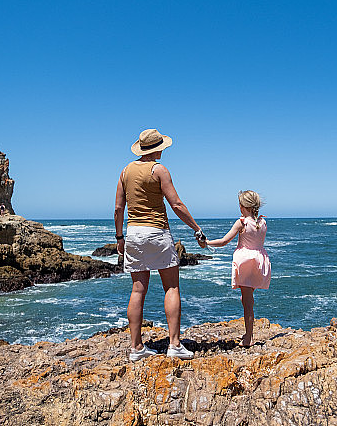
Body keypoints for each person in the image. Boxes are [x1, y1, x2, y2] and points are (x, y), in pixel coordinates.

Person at [114, 129, 205, 360]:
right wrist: (196, 228)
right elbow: (176, 204)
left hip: (134, 233)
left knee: (138, 289)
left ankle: (136, 348)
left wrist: (119, 238)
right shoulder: (159, 170)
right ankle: (174, 345)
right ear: (157, 149)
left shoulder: (125, 171)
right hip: (157, 232)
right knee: (171, 287)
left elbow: (118, 208)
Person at [205, 190, 271, 347]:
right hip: (260, 260)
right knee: (247, 298)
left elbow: (223, 241)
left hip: (246, 262)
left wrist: (207, 242)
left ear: (242, 206)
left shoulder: (242, 222)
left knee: (247, 302)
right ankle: (248, 334)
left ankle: (248, 338)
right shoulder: (262, 222)